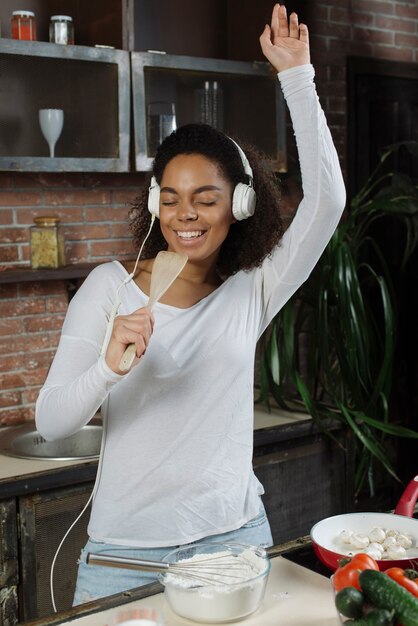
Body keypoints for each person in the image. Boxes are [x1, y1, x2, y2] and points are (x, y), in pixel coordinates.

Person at [36, 3, 346, 605]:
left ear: (241, 206)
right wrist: (108, 366)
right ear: (155, 204)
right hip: (124, 557)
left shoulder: (252, 289)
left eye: (206, 198)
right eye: (172, 198)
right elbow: (50, 423)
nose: (187, 214)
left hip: (232, 546)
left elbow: (328, 202)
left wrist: (298, 78)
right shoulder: (110, 287)